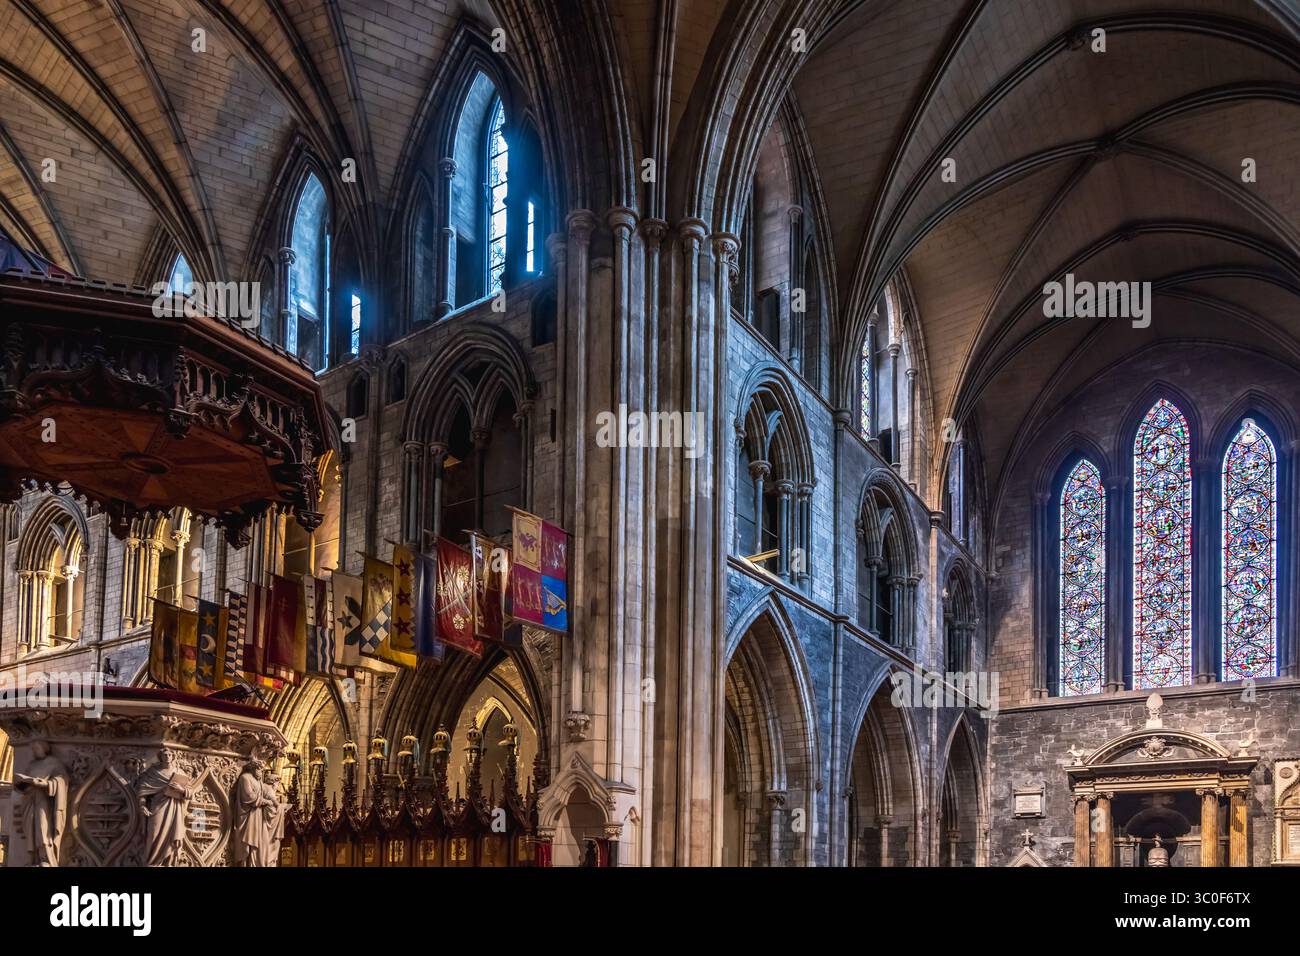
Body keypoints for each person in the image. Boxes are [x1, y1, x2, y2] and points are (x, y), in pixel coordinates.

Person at [136, 749, 198, 866]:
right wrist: (142, 805)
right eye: (165, 754)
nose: (167, 757)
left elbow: (190, 792)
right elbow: (143, 790)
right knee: (154, 834)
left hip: (175, 808)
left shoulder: (179, 772)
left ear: (173, 757)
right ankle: (151, 863)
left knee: (173, 837)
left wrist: (181, 790)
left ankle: (169, 862)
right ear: (160, 756)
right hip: (157, 807)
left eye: (170, 754)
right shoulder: (153, 772)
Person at [13, 740, 68, 867]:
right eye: (33, 749)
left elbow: (62, 780)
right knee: (30, 829)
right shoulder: (32, 764)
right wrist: (20, 783)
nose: (34, 752)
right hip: (29, 799)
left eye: (36, 749)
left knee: (43, 828)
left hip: (43, 799)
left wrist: (44, 783)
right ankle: (34, 859)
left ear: (44, 748)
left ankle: (47, 859)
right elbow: (24, 781)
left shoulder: (53, 763)